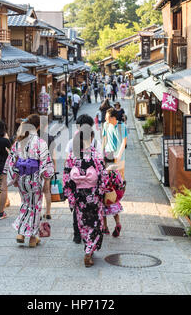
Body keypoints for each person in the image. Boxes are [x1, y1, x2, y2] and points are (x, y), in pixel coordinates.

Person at [4, 114, 54, 247]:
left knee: (25, 204)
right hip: (35, 178)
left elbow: (11, 160)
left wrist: (13, 177)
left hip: (22, 179)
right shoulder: (40, 142)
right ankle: (32, 238)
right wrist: (47, 179)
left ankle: (21, 233)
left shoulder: (19, 141)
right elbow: (45, 163)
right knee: (35, 207)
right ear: (37, 126)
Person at [63, 127, 110, 267]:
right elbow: (103, 175)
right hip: (94, 196)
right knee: (96, 223)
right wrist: (101, 191)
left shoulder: (72, 156)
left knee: (83, 223)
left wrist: (71, 198)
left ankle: (88, 248)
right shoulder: (95, 155)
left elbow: (66, 178)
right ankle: (89, 250)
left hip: (79, 196)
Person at [65, 114, 103, 244]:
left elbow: (67, 166)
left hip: (77, 187)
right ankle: (90, 239)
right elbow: (101, 168)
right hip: (92, 189)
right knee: (93, 213)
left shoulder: (72, 143)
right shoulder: (96, 144)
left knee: (78, 211)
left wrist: (68, 188)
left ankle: (78, 234)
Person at [102, 108, 128, 179]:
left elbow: (124, 142)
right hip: (109, 155)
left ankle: (121, 189)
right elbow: (104, 139)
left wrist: (119, 156)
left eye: (107, 117)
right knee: (108, 177)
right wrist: (102, 152)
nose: (105, 118)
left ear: (113, 118)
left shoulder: (121, 126)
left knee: (120, 176)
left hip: (119, 156)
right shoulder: (106, 125)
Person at [102, 166, 125, 237]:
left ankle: (105, 228)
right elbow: (120, 182)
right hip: (113, 195)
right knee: (115, 213)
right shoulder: (115, 171)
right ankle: (118, 223)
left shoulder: (105, 172)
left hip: (106, 196)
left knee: (103, 213)